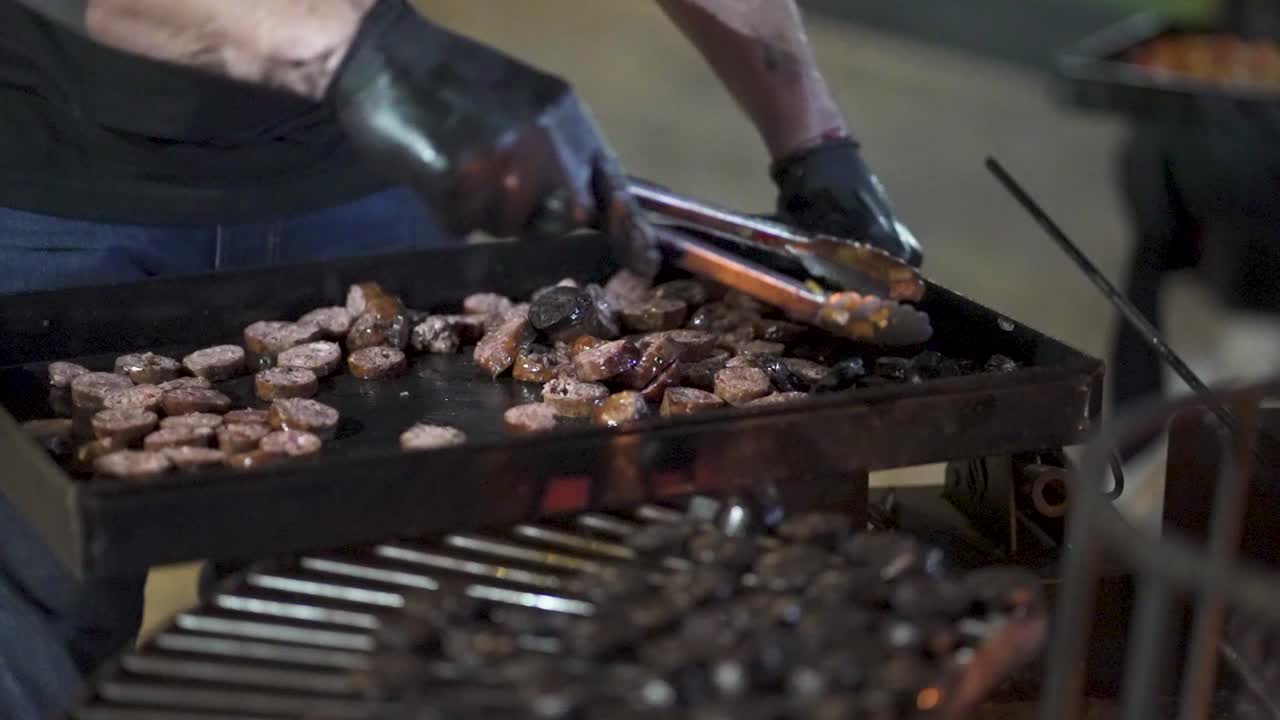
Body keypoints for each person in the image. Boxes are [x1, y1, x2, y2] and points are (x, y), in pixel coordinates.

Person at [0, 0, 920, 715]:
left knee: (364, 625)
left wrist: (813, 142)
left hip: (359, 180)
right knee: (30, 624)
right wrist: (373, 54)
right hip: (42, 184)